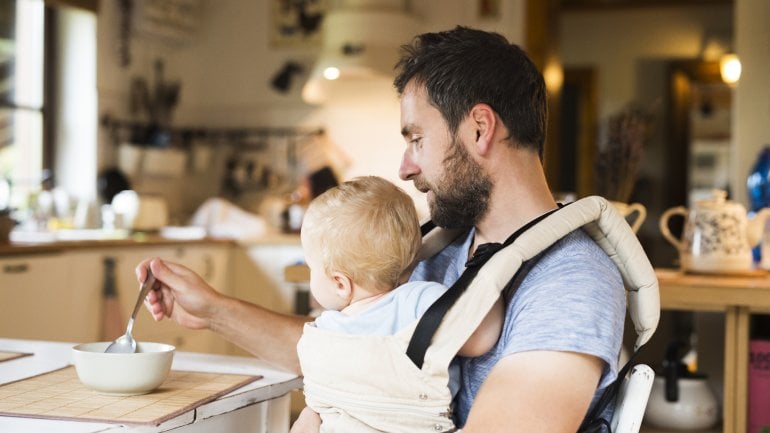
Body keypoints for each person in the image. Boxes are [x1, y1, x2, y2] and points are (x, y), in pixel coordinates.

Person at [139, 26, 627, 432]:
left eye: (417, 138)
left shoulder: (570, 281)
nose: (405, 167)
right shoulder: (445, 247)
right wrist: (215, 311)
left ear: (480, 128)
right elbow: (357, 357)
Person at [294, 175, 502, 432]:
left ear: (340, 283)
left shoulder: (326, 329)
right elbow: (481, 339)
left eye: (311, 268)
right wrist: (489, 279)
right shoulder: (421, 301)